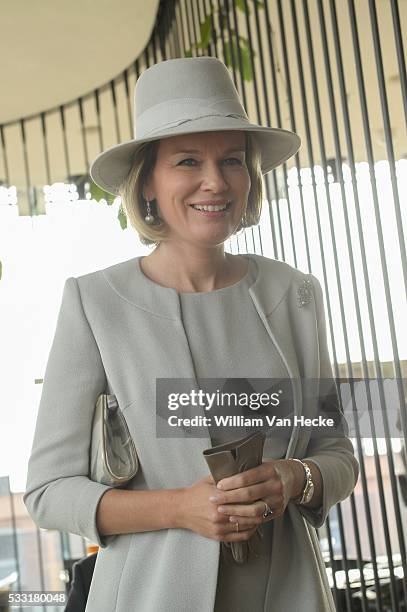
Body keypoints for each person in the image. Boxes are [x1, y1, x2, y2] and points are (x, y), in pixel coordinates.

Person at [23, 57, 359, 612]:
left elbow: (337, 454)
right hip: (149, 595)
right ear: (148, 184)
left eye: (232, 159)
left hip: (291, 593)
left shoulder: (295, 294)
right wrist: (179, 507)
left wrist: (293, 477)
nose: (215, 181)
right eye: (187, 161)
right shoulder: (94, 303)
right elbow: (48, 493)